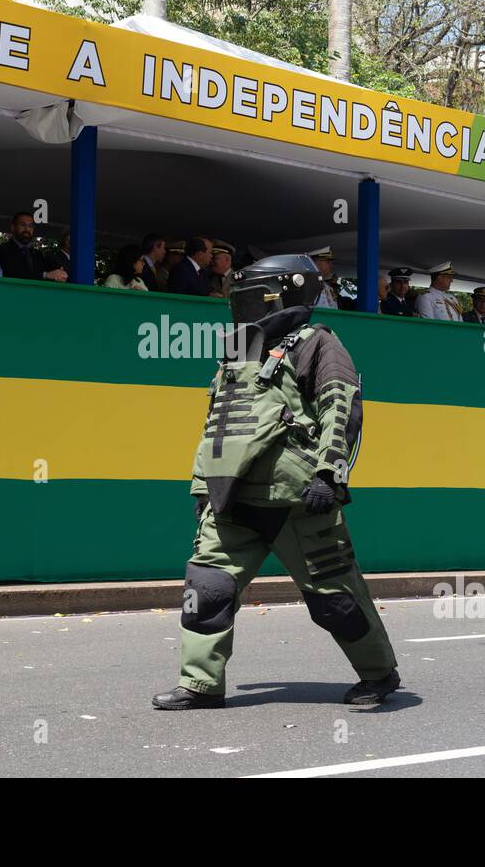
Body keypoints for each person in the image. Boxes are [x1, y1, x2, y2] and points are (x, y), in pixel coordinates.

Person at [152, 254, 400, 710]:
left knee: (336, 599)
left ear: (284, 293)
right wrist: (202, 485)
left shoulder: (317, 343)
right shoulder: (240, 350)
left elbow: (340, 408)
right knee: (207, 589)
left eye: (250, 298)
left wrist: (330, 474)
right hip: (234, 499)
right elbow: (217, 424)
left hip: (299, 499)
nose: (241, 307)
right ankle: (200, 684)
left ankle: (379, 673)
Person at [0, 211, 68, 281]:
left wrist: (58, 275)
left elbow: (46, 275)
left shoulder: (37, 254)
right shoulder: (2, 250)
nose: (27, 229)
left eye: (30, 226)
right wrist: (45, 275)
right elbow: (14, 273)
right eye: (22, 225)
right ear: (13, 228)